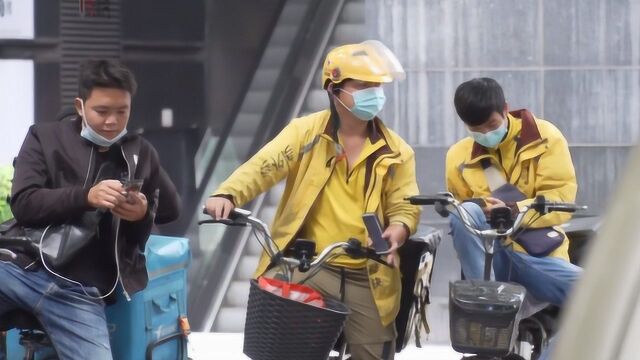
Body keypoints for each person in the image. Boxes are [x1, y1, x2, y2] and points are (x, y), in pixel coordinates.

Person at [205, 40, 420, 360]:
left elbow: (405, 203)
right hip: (308, 266)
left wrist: (399, 228)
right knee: (278, 341)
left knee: (374, 352)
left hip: (368, 272)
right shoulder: (306, 133)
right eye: (362, 86)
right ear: (334, 90)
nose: (373, 94)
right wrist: (228, 193)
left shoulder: (397, 151)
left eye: (376, 86)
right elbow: (265, 165)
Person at [0, 59, 180, 359]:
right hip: (21, 269)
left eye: (122, 111)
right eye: (102, 111)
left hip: (79, 292)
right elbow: (24, 204)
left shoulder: (140, 151)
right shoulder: (45, 137)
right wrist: (87, 197)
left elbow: (170, 209)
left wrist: (141, 214)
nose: (112, 121)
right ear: (80, 106)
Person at [445, 77, 581, 358]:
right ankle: (484, 301)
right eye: (475, 129)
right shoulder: (457, 155)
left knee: (598, 293)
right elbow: (461, 219)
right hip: (490, 259)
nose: (485, 133)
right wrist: (480, 209)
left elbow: (562, 199)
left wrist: (516, 209)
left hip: (537, 256)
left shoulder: (546, 138)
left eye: (492, 126)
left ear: (505, 108)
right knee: (464, 212)